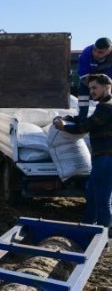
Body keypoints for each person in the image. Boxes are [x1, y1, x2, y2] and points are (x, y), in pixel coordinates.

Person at [54, 73, 112, 228]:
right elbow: (89, 121)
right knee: (92, 193)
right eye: (90, 88)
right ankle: (87, 227)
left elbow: (86, 127)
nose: (92, 91)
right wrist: (70, 118)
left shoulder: (107, 107)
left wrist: (64, 127)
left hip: (107, 157)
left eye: (95, 87)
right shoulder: (103, 106)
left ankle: (102, 236)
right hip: (101, 157)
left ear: (106, 87)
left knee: (102, 198)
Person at [77, 37, 112, 119]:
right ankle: (81, 117)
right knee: (82, 88)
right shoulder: (86, 52)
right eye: (95, 50)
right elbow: (83, 74)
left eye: (100, 52)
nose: (96, 54)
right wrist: (93, 86)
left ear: (109, 51)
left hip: (108, 80)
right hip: (90, 78)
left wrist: (105, 89)